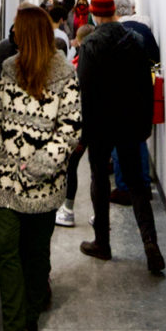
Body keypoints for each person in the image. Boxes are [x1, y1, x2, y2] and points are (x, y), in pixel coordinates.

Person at [0, 6, 81, 331]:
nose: (13, 34)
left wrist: (41, 165)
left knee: (35, 256)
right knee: (7, 254)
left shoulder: (65, 75)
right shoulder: (8, 70)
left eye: (18, 29)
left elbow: (70, 128)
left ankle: (29, 318)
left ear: (29, 33)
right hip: (5, 183)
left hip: (42, 187)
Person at [76, 0, 165, 274]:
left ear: (94, 14)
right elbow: (147, 83)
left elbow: (85, 92)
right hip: (129, 122)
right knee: (138, 183)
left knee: (99, 181)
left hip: (101, 125)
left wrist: (84, 133)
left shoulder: (90, 44)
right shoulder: (136, 41)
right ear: (115, 11)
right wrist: (145, 122)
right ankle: (150, 243)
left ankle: (103, 242)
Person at [110, 0, 158, 204]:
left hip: (118, 95)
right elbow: (156, 59)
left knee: (119, 142)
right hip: (142, 94)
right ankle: (144, 186)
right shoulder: (145, 30)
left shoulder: (112, 32)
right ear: (131, 9)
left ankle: (124, 188)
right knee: (139, 141)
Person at [55, 24, 94, 227]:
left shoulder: (79, 66)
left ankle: (68, 210)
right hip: (97, 123)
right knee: (97, 171)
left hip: (83, 125)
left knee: (71, 166)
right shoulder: (91, 62)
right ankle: (99, 215)